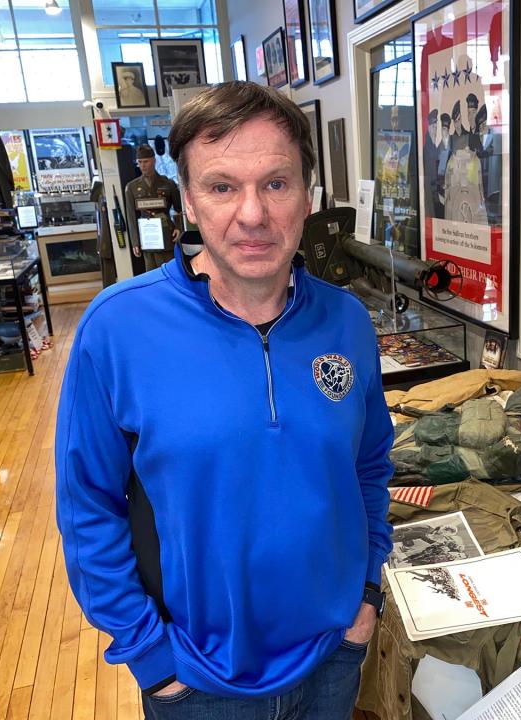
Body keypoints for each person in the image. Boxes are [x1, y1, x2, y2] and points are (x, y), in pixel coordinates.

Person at [56, 82, 394, 719]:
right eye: (221, 186)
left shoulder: (346, 322)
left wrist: (367, 594)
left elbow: (370, 466)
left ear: (308, 195)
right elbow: (86, 510)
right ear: (187, 199)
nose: (252, 214)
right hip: (195, 682)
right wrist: (151, 658)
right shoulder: (118, 329)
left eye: (276, 183)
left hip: (333, 658)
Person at [124, 143, 183, 272]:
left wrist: (179, 227)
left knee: (170, 272)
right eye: (139, 162)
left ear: (154, 161)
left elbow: (179, 209)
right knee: (151, 275)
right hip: (147, 237)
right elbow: (131, 217)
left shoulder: (168, 184)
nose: (142, 166)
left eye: (146, 161)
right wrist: (135, 241)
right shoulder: (132, 187)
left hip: (167, 235)